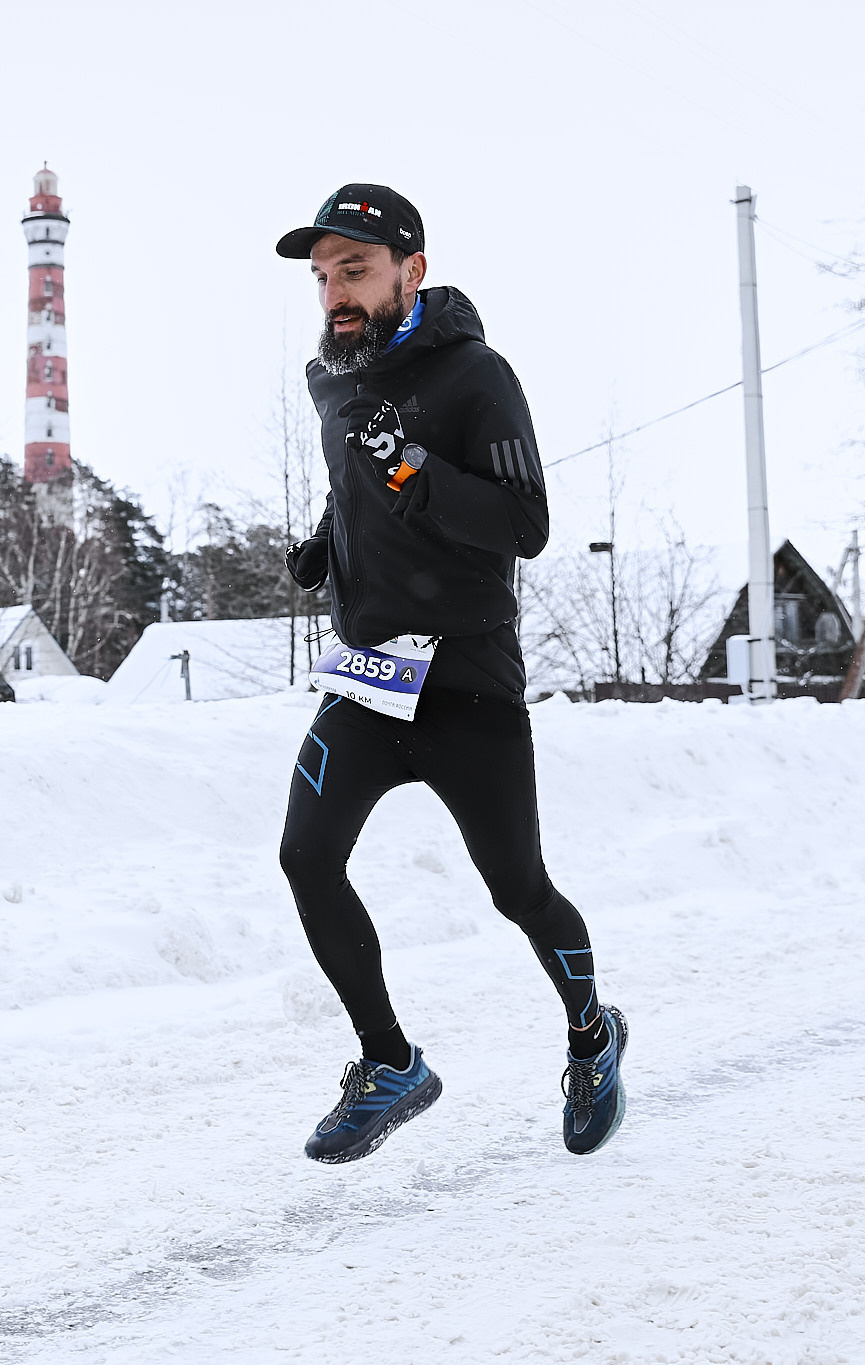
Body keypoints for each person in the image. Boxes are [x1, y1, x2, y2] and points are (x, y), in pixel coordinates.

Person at [275, 184, 626, 1164]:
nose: (334, 294)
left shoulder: (477, 377)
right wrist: (328, 540)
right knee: (305, 858)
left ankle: (591, 1032)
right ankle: (391, 1063)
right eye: (322, 277)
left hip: (468, 682)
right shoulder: (331, 380)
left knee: (518, 890)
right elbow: (357, 484)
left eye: (354, 271)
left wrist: (414, 473)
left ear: (411, 271)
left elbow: (525, 523)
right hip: (368, 679)